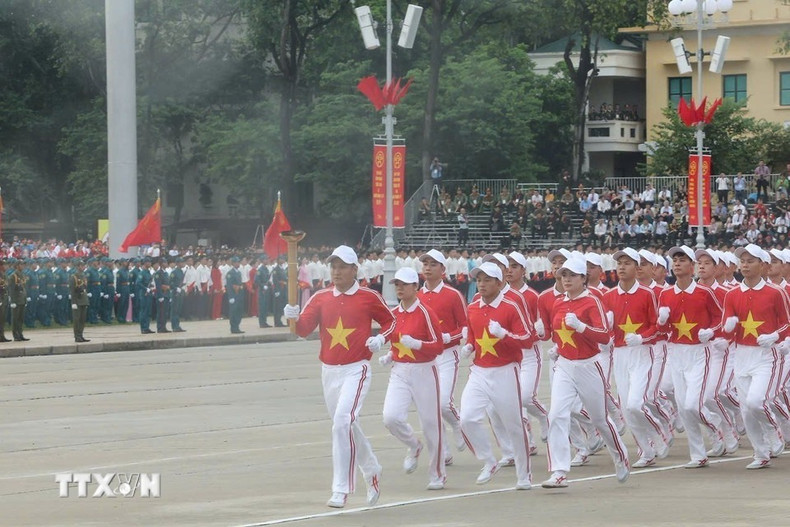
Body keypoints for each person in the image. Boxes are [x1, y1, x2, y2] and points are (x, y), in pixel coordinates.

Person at [283, 245, 396, 508]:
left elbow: (392, 321)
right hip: (329, 371)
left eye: (342, 267)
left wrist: (381, 338)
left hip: (357, 369)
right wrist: (291, 318)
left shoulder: (369, 296)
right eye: (333, 267)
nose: (336, 272)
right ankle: (372, 468)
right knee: (346, 425)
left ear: (354, 269)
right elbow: (303, 330)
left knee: (342, 423)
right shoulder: (321, 297)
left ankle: (341, 489)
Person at [543, 254, 630, 488]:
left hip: (589, 366)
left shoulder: (592, 302)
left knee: (600, 420)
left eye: (572, 275)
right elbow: (559, 332)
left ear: (583, 278)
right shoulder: (558, 302)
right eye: (563, 275)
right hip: (564, 366)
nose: (566, 279)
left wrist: (581, 326)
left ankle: (620, 456)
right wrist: (557, 347)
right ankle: (559, 471)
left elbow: (605, 337)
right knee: (556, 415)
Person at [460, 261, 533, 490]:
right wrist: (469, 346)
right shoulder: (473, 307)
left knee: (514, 425)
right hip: (479, 370)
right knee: (467, 418)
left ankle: (524, 475)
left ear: (499, 283)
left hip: (505, 370)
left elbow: (527, 339)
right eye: (479, 280)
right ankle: (489, 460)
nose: (481, 284)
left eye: (487, 280)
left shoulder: (511, 306)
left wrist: (504, 334)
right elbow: (473, 336)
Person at [658, 246, 729, 468]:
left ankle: (716, 425)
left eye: (682, 260)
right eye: (675, 260)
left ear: (692, 267)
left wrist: (711, 331)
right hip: (676, 352)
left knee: (692, 405)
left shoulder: (704, 292)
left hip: (700, 352)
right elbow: (662, 329)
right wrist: (662, 321)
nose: (677, 263)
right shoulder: (665, 294)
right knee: (683, 406)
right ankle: (698, 454)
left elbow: (721, 319)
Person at [721, 244, 790, 469]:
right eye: (742, 261)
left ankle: (773, 430)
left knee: (756, 401)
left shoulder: (776, 292)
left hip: (767, 355)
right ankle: (760, 453)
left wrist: (775, 336)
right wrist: (727, 328)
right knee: (746, 410)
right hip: (742, 355)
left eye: (750, 261)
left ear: (763, 265)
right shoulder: (732, 294)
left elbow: (787, 324)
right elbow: (726, 328)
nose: (745, 265)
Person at [378, 267, 446, 490]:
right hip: (399, 371)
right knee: (391, 417)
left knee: (431, 424)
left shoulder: (426, 313)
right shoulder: (393, 314)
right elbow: (395, 341)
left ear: (415, 287)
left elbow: (438, 346)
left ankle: (437, 474)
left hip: (424, 371)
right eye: (396, 284)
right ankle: (413, 445)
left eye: (404, 284)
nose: (399, 288)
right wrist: (390, 355)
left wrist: (418, 344)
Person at [603, 248, 668, 469]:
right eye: (619, 263)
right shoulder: (608, 296)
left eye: (627, 263)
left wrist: (641, 337)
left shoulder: (647, 294)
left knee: (635, 404)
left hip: (642, 353)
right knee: (626, 409)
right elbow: (606, 331)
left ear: (636, 267)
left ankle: (657, 432)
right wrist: (608, 331)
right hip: (620, 355)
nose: (622, 267)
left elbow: (657, 327)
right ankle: (646, 451)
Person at [415, 249, 469, 465]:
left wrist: (448, 337)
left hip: (447, 354)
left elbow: (465, 327)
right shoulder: (416, 296)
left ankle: (457, 423)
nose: (428, 268)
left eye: (433, 264)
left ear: (443, 269)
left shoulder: (453, 295)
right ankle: (443, 451)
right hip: (426, 357)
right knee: (429, 407)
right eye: (425, 264)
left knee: (444, 403)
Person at [69, 259, 90, 343]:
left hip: (84, 299)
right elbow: (72, 290)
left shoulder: (83, 276)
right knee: (77, 319)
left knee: (82, 319)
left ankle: (80, 335)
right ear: (77, 267)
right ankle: (77, 336)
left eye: (84, 265)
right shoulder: (74, 277)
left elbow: (84, 288)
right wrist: (73, 302)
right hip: (77, 300)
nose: (83, 267)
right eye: (82, 265)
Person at [9, 259, 29, 341]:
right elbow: (11, 289)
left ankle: (20, 334)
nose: (23, 266)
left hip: (22, 299)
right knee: (15, 319)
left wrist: (25, 299)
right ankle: (16, 335)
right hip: (16, 300)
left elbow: (23, 287)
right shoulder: (13, 276)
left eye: (23, 264)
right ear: (17, 266)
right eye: (21, 264)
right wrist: (13, 301)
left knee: (21, 318)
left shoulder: (22, 275)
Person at [136, 258, 155, 334]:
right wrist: (145, 288)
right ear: (145, 263)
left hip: (149, 293)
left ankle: (147, 327)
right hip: (144, 294)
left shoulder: (148, 272)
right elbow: (138, 282)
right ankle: (143, 328)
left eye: (150, 262)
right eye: (148, 262)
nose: (150, 263)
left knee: (148, 311)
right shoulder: (142, 273)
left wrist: (151, 287)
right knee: (143, 311)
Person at [226, 257, 244, 334]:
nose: (238, 264)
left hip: (239, 294)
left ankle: (237, 326)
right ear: (233, 263)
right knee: (233, 312)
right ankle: (233, 328)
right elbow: (229, 286)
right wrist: (231, 297)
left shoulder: (239, 272)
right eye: (236, 262)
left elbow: (240, 283)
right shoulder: (230, 273)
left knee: (239, 311)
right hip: (233, 295)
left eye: (238, 262)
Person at [255, 255, 272, 328]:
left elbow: (267, 279)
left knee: (265, 307)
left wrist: (269, 283)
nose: (267, 261)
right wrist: (262, 286)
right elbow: (256, 280)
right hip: (262, 291)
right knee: (262, 307)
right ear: (262, 261)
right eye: (265, 259)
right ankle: (261, 323)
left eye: (267, 259)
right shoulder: (260, 270)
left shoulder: (266, 269)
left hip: (267, 290)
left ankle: (264, 322)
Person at [0, 260, 8, 342]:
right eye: (4, 265)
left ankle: (2, 336)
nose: (6, 267)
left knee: (2, 318)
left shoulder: (4, 275)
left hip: (4, 298)